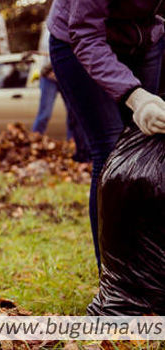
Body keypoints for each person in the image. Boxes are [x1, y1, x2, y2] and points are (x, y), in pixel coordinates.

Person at [48, 0, 165, 272]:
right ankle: (115, 278)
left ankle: (148, 269)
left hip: (144, 39)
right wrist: (135, 98)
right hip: (80, 42)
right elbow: (85, 35)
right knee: (112, 150)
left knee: (149, 145)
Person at [31, 61, 90, 162]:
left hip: (64, 72)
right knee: (45, 113)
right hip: (48, 75)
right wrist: (50, 69)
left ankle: (71, 146)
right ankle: (33, 145)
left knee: (73, 113)